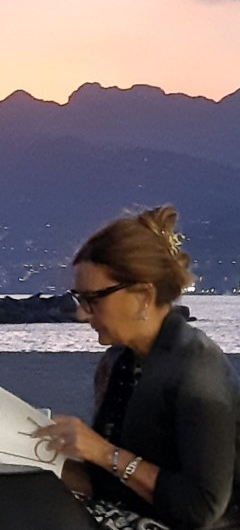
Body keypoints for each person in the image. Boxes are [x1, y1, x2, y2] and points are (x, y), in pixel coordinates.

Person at [35, 206, 239, 530]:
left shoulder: (198, 372)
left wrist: (102, 452)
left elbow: (201, 508)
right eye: (80, 300)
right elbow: (111, 482)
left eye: (93, 300)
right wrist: (34, 459)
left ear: (143, 295)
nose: (82, 315)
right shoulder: (121, 362)